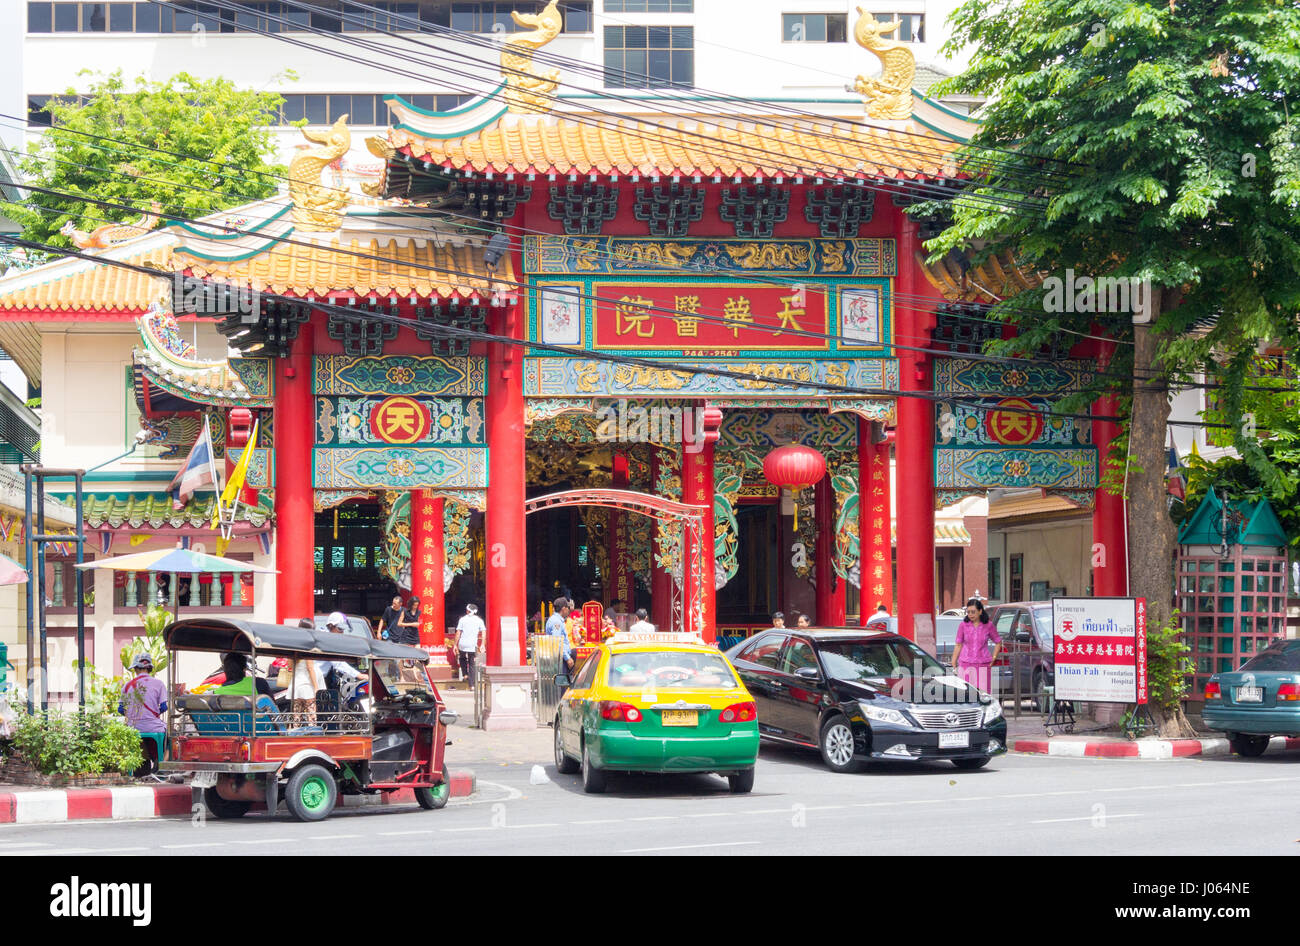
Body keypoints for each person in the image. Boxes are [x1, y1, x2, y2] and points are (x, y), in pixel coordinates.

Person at [119, 654, 166, 776]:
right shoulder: (159, 684)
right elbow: (164, 707)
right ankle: (159, 763)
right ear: (150, 668)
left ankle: (141, 765)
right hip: (154, 726)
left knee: (139, 738)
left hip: (133, 727)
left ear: (136, 668)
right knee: (168, 737)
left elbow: (120, 709)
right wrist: (152, 714)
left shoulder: (127, 686)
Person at [952, 597, 1001, 693]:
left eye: (973, 612)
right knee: (965, 693)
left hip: (983, 664)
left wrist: (994, 658)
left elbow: (998, 642)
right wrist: (953, 661)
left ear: (980, 611)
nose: (970, 614)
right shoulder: (963, 625)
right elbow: (958, 644)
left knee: (983, 694)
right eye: (968, 612)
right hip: (965, 664)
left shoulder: (989, 625)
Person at [320, 612, 363, 688]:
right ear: (330, 626)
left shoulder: (331, 639)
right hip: (316, 679)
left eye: (343, 629)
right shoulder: (327, 640)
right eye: (340, 629)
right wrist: (359, 675)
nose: (342, 632)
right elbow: (338, 663)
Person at [455, 603, 486, 686]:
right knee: (472, 664)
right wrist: (483, 643)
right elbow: (483, 632)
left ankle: (465, 674)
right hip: (473, 645)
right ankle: (471, 685)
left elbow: (458, 632)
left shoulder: (462, 619)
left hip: (463, 643)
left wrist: (455, 644)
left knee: (462, 658)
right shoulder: (479, 620)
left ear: (467, 611)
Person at [544, 597, 575, 675]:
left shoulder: (557, 620)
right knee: (562, 683)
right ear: (563, 609)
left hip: (560, 657)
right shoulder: (556, 622)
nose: (568, 610)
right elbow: (557, 642)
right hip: (560, 659)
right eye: (568, 608)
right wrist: (567, 658)